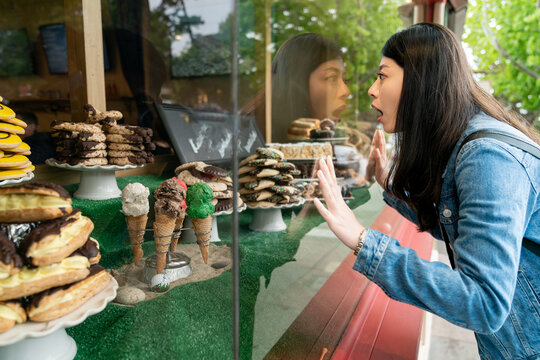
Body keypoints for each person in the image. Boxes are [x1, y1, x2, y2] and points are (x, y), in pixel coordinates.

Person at [314, 23, 539, 360]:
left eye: (383, 75)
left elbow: (484, 302)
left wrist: (363, 241)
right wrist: (389, 186)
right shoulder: (467, 142)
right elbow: (462, 230)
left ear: (421, 80)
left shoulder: (487, 157)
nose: (372, 90)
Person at [242, 33, 350, 143]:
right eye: (331, 78)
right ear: (297, 84)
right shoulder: (247, 140)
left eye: (345, 80)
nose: (345, 91)